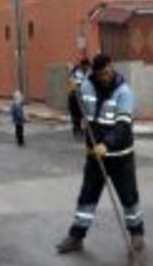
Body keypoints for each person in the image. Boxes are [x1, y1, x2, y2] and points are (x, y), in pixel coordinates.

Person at [56, 53, 145, 254]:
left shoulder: (124, 92)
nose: (108, 75)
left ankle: (137, 235)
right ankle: (76, 237)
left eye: (110, 70)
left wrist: (107, 144)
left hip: (120, 157)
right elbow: (78, 113)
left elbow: (123, 127)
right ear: (95, 73)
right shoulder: (87, 86)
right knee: (87, 196)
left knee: (129, 197)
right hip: (94, 156)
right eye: (103, 73)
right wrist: (73, 96)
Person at [68, 58, 90, 139]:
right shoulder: (77, 73)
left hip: (82, 96)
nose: (87, 69)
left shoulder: (86, 73)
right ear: (83, 66)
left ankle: (81, 129)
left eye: (88, 67)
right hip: (74, 96)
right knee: (76, 114)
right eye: (86, 67)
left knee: (83, 114)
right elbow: (77, 86)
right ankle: (77, 130)